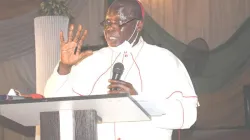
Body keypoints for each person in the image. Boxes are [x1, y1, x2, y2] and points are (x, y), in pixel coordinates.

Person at [44, 0, 199, 139]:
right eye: (107, 23)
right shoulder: (90, 60)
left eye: (118, 22)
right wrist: (64, 68)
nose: (110, 29)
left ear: (138, 25)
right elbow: (53, 102)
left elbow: (188, 116)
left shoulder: (164, 60)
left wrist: (140, 102)